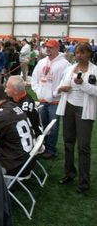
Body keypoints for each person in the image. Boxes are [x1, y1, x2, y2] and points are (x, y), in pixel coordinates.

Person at [56, 42, 97, 193]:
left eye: (82, 52)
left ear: (89, 54)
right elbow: (59, 87)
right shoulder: (69, 69)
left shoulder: (95, 70)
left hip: (84, 111)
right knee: (68, 143)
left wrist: (83, 85)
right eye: (77, 52)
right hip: (68, 108)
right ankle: (69, 173)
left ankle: (84, 182)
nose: (79, 55)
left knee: (84, 147)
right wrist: (62, 88)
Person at [31, 39, 71, 159]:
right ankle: (41, 147)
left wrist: (54, 93)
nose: (48, 49)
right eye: (46, 47)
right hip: (43, 100)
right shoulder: (42, 62)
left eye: (51, 47)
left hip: (55, 101)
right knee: (42, 125)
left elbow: (65, 81)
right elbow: (34, 77)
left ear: (57, 48)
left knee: (53, 127)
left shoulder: (65, 64)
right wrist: (38, 92)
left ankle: (50, 149)